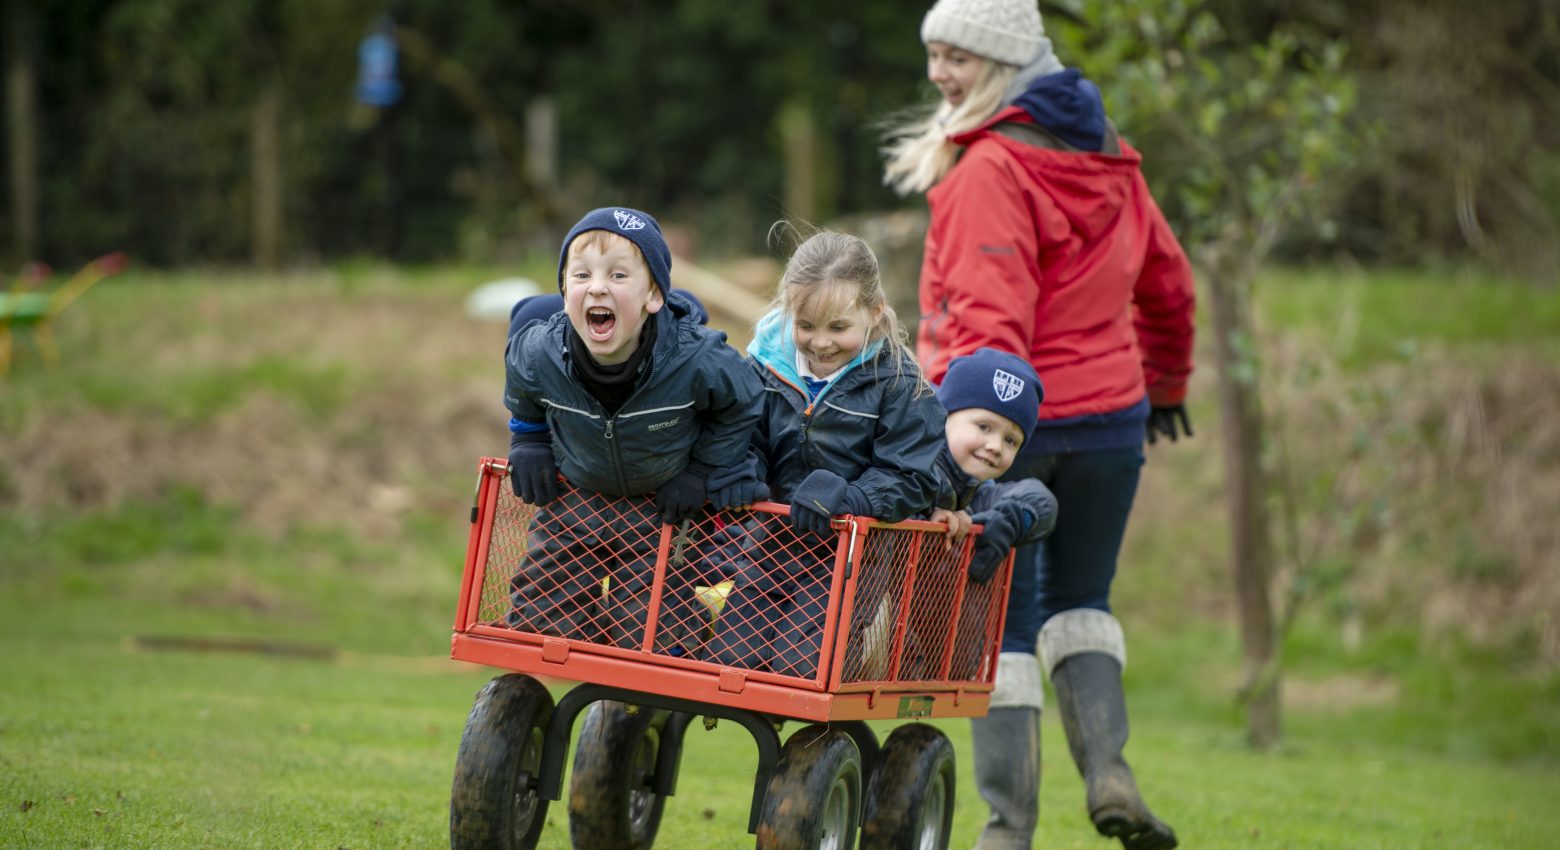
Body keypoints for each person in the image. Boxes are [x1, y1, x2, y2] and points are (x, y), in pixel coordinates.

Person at [884, 1, 1196, 848]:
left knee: (1003, 628)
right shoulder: (1112, 157)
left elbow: (991, 321)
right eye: (934, 56)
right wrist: (1165, 384)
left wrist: (967, 431)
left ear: (1003, 64)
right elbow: (1169, 283)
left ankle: (1005, 829)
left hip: (1018, 427)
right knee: (1082, 603)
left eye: (957, 58)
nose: (938, 75)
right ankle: (1110, 775)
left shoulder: (991, 169)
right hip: (1114, 424)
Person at [502, 207, 767, 650]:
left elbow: (743, 402)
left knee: (651, 642)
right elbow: (521, 385)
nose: (598, 286)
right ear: (564, 289)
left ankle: (678, 632)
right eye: (581, 275)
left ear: (654, 297)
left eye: (619, 276)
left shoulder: (697, 358)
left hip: (660, 509)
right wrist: (528, 439)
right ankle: (586, 654)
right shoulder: (538, 349)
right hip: (576, 500)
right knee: (539, 626)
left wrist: (701, 471)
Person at [703, 229, 947, 679]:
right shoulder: (763, 365)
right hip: (772, 538)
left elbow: (914, 475)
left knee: (804, 667)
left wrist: (852, 496)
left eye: (838, 327)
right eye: (806, 326)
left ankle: (823, 733)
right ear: (788, 312)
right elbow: (745, 434)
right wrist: (744, 468)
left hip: (851, 550)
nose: (820, 343)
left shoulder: (899, 384)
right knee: (730, 661)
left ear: (873, 315)